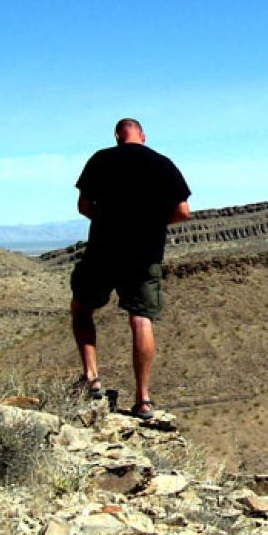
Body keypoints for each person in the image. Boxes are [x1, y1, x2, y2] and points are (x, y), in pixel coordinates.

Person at [70, 118, 191, 419]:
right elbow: (183, 212)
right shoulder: (163, 164)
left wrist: (107, 220)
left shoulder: (100, 159)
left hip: (103, 248)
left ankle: (91, 377)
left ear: (117, 137)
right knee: (141, 318)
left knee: (82, 307)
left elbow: (84, 206)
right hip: (145, 252)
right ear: (143, 136)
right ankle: (144, 400)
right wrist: (152, 223)